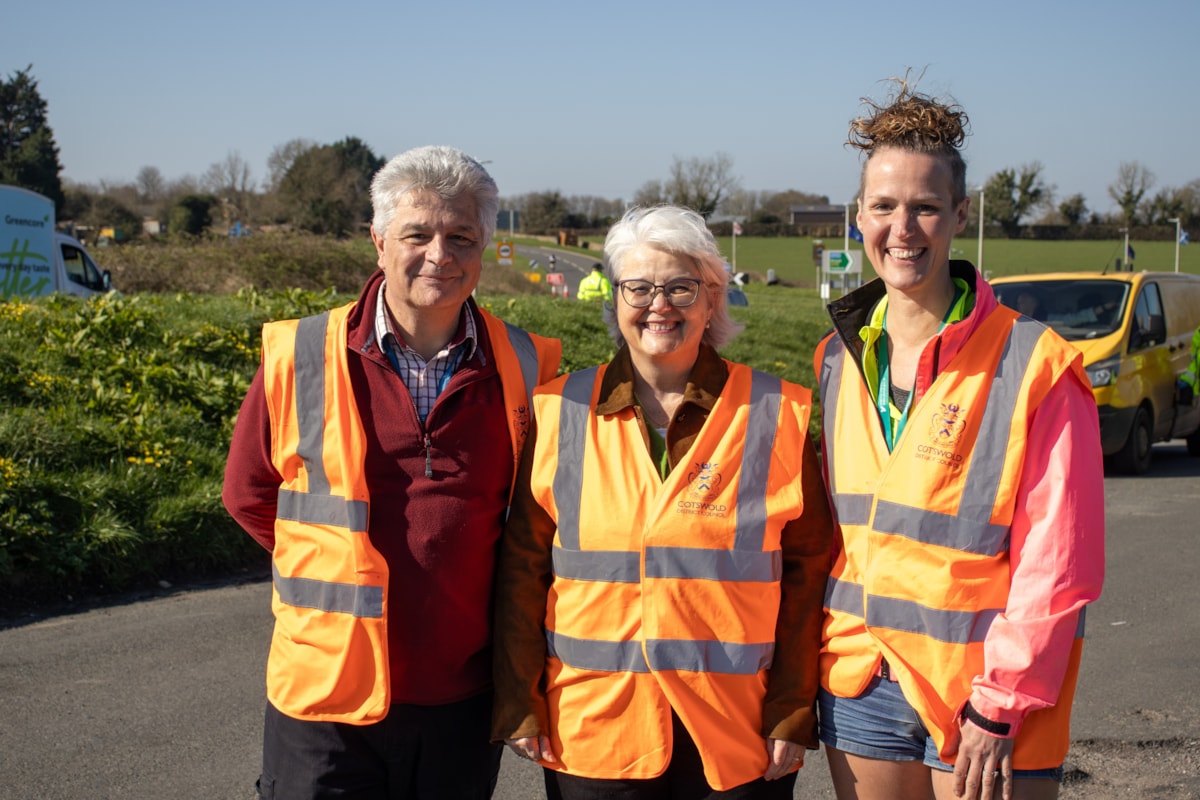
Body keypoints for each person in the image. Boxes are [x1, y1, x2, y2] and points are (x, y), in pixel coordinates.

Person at [222, 144, 562, 800]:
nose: (440, 254)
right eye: (418, 234)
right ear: (378, 242)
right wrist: (330, 562)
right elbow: (249, 493)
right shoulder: (299, 355)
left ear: (484, 247)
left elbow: (536, 517)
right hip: (325, 696)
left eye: (461, 236)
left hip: (464, 696)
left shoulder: (529, 363)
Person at [812, 80, 1105, 800]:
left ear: (959, 216)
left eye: (925, 207)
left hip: (986, 695)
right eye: (883, 206)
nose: (902, 228)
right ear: (858, 217)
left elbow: (1059, 561)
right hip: (861, 681)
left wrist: (999, 703)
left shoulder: (1036, 363)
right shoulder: (836, 357)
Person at [492, 204, 834, 799]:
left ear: (712, 301)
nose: (660, 304)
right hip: (595, 732)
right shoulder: (558, 410)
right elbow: (523, 568)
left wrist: (791, 708)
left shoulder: (777, 414)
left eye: (681, 287)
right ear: (616, 298)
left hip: (734, 733)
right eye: (639, 286)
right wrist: (519, 701)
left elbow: (809, 579)